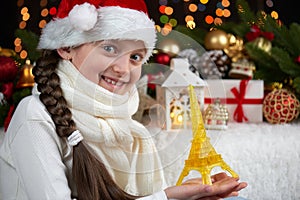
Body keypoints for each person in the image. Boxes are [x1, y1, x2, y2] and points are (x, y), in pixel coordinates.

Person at [0, 0, 247, 199]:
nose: (123, 69)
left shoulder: (128, 128)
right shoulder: (34, 116)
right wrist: (167, 198)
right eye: (109, 48)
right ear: (66, 47)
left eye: (136, 57)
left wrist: (186, 197)